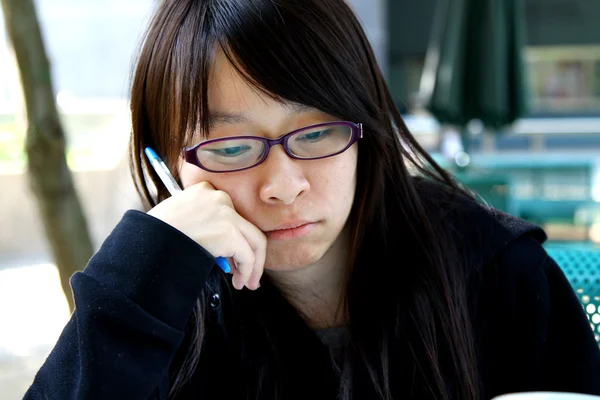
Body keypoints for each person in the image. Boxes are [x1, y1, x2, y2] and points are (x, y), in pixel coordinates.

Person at [25, 0, 600, 399]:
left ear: (365, 130)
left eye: (316, 133)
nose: (282, 185)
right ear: (168, 162)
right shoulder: (165, 302)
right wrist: (138, 278)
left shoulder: (498, 271)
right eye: (231, 146)